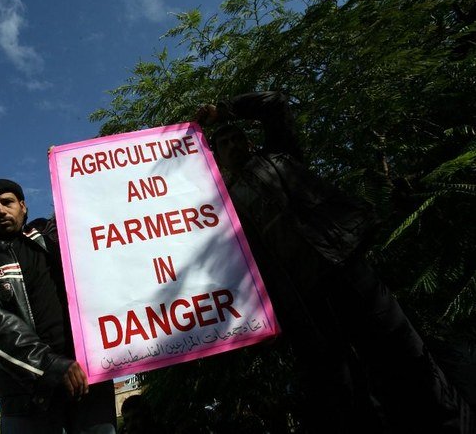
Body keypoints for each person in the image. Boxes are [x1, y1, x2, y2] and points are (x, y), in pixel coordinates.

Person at [196, 92, 471, 433]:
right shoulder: (224, 205)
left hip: (345, 268)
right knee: (345, 387)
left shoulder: (280, 157)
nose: (235, 145)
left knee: (404, 352)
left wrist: (223, 112)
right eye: (225, 143)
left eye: (239, 138)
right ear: (217, 157)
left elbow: (276, 104)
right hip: (305, 302)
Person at [0, 179, 116, 434]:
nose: (0, 210)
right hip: (26, 400)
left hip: (90, 384)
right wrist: (50, 366)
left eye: (7, 202)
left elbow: (91, 214)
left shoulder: (55, 240)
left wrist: (65, 169)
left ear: (23, 206)